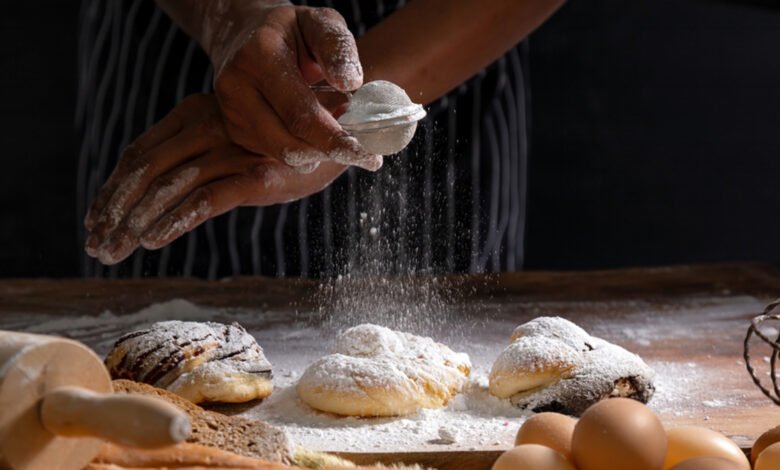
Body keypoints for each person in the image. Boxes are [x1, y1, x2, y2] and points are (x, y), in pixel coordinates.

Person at [77, 0, 564, 279]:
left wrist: (346, 110)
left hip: (447, 43)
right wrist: (228, 17)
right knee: (154, 363)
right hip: (187, 56)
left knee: (444, 373)